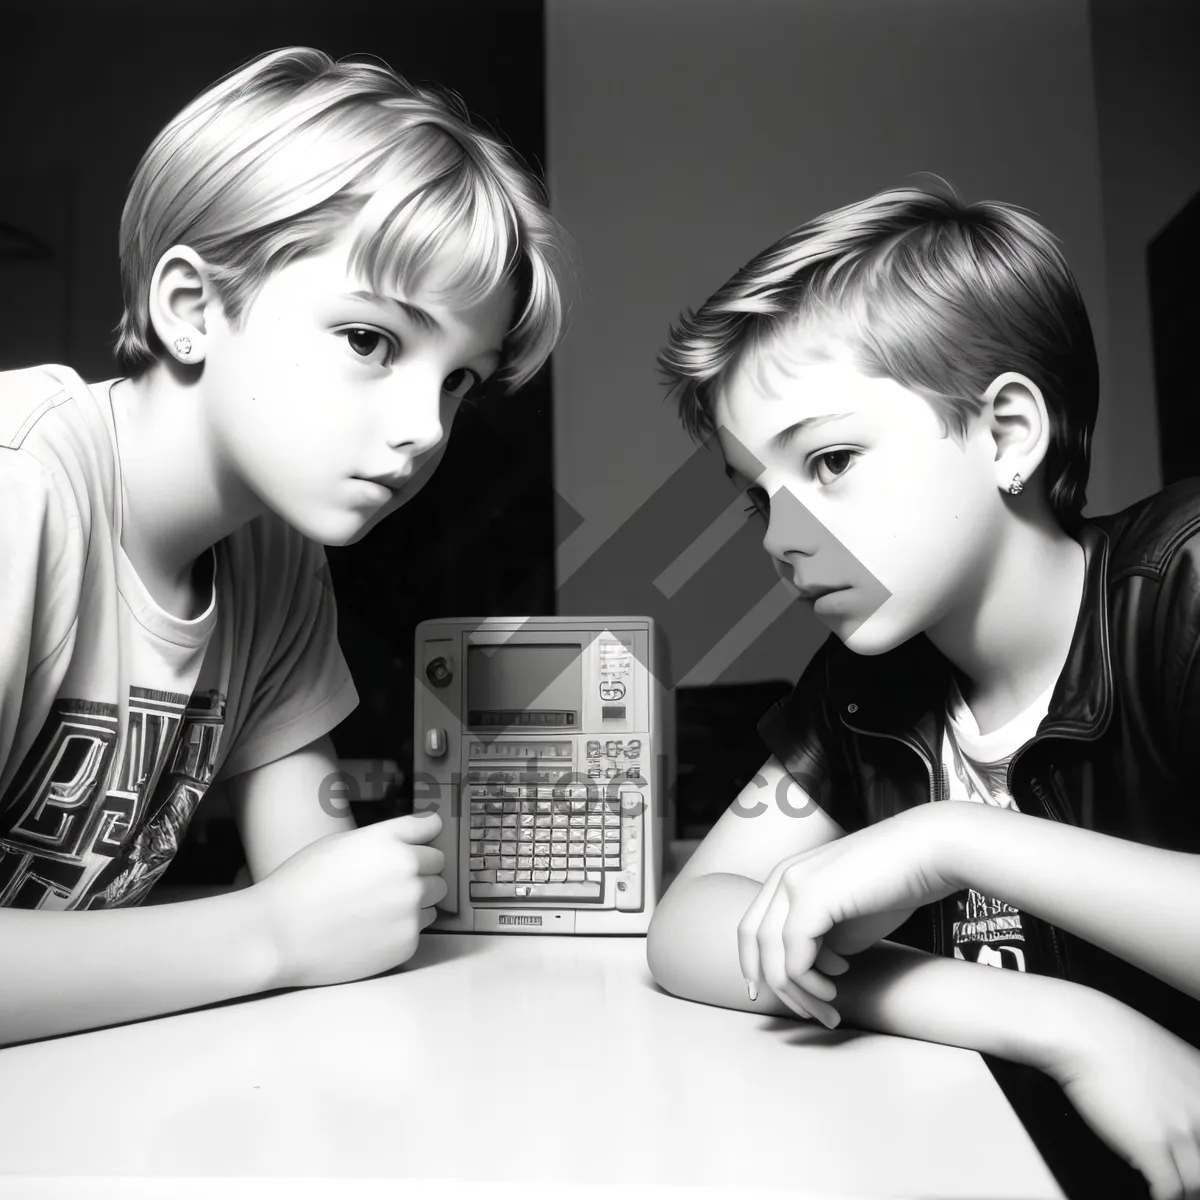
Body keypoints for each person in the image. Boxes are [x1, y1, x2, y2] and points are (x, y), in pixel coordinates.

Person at [0, 47, 570, 1045]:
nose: (427, 429)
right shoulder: (21, 487)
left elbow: (321, 880)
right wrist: (273, 934)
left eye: (459, 380)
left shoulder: (275, 559)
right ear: (190, 309)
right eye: (372, 341)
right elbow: (297, 921)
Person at [648, 182, 1200, 1200]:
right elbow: (689, 929)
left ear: (1007, 433)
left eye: (831, 461)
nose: (783, 541)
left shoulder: (1185, 587)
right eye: (758, 496)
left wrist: (951, 840)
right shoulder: (863, 685)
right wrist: (1064, 1023)